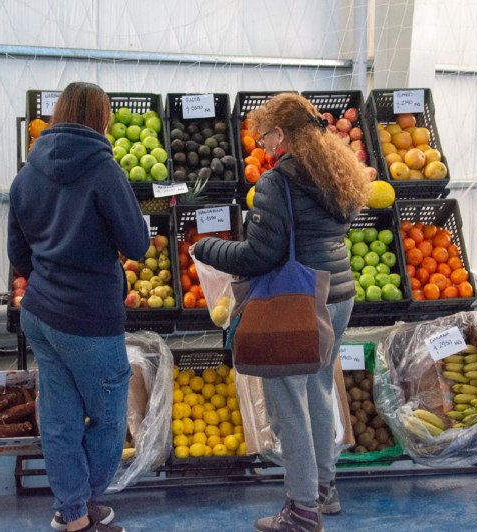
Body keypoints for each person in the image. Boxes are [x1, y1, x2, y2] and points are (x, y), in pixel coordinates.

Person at [194, 93, 369, 532]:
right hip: (337, 293)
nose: (264, 143)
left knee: (287, 403)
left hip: (295, 301)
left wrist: (208, 248)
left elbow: (261, 254)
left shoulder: (277, 182)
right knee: (318, 389)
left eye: (267, 134)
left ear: (283, 133)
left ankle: (302, 510)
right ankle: (324, 490)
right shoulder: (335, 171)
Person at [7, 81, 148, 532]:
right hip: (90, 318)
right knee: (108, 416)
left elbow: (19, 255)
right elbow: (137, 244)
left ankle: (72, 513)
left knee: (60, 417)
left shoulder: (26, 174)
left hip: (42, 313)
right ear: (102, 119)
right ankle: (84, 502)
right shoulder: (105, 172)